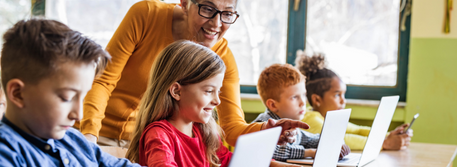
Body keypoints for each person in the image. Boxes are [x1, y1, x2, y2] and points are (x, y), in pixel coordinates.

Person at [78, 0, 308, 148]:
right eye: (207, 9)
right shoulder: (145, 15)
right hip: (99, 137)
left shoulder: (223, 58)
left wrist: (268, 130)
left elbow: (233, 129)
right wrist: (89, 137)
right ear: (185, 3)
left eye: (227, 14)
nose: (216, 23)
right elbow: (103, 81)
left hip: (151, 146)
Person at [0, 19, 139, 166]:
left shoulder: (72, 138)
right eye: (67, 98)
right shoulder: (7, 155)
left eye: (83, 98)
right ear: (18, 93)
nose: (78, 115)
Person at [295, 51, 412, 150]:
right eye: (337, 95)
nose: (343, 101)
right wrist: (385, 143)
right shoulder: (311, 120)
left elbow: (358, 130)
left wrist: (390, 135)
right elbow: (339, 140)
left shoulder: (328, 118)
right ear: (317, 99)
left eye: (343, 95)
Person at [252, 63, 350, 161]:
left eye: (303, 95)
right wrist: (310, 153)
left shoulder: (293, 127)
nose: (303, 102)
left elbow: (311, 140)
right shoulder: (263, 124)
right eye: (294, 97)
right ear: (273, 105)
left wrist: (336, 143)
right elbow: (272, 150)